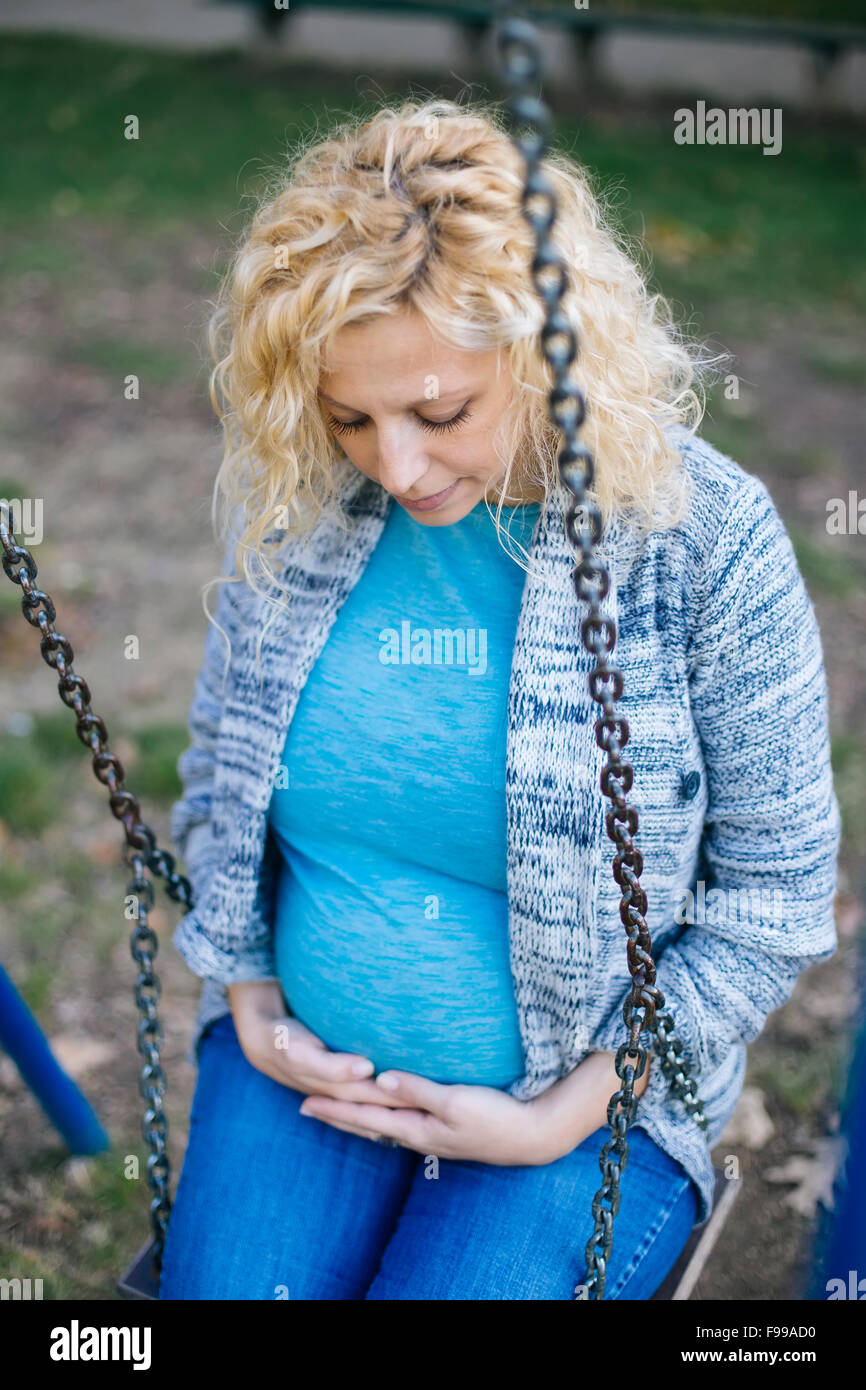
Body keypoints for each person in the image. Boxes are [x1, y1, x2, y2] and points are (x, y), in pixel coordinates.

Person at [158, 97, 840, 1301]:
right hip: (306, 1062)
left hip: (578, 1105)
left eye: (439, 412)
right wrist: (251, 992)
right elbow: (221, 764)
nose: (395, 465)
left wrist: (563, 1115)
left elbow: (773, 896)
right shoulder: (309, 503)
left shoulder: (701, 540)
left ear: (544, 350)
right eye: (347, 416)